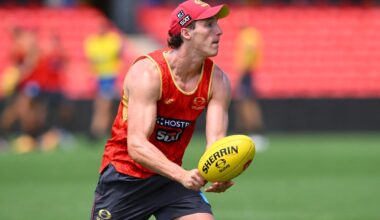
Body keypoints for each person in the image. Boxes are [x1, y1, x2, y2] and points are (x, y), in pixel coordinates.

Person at [90, 1, 233, 219]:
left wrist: (221, 171)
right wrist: (182, 175)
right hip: (125, 177)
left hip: (169, 180)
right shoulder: (148, 73)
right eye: (209, 25)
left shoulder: (218, 80)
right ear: (186, 32)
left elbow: (215, 142)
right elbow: (136, 145)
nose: (219, 31)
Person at [84, 20, 123, 140]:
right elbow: (93, 58)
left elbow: (114, 54)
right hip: (99, 78)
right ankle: (101, 130)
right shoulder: (93, 41)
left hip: (109, 77)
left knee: (104, 105)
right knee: (102, 105)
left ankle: (97, 130)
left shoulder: (113, 40)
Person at [233, 25, 268, 152]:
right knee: (244, 104)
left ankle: (255, 134)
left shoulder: (248, 35)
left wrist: (244, 69)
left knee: (247, 104)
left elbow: (251, 49)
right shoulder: (250, 34)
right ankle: (251, 134)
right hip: (247, 73)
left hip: (247, 73)